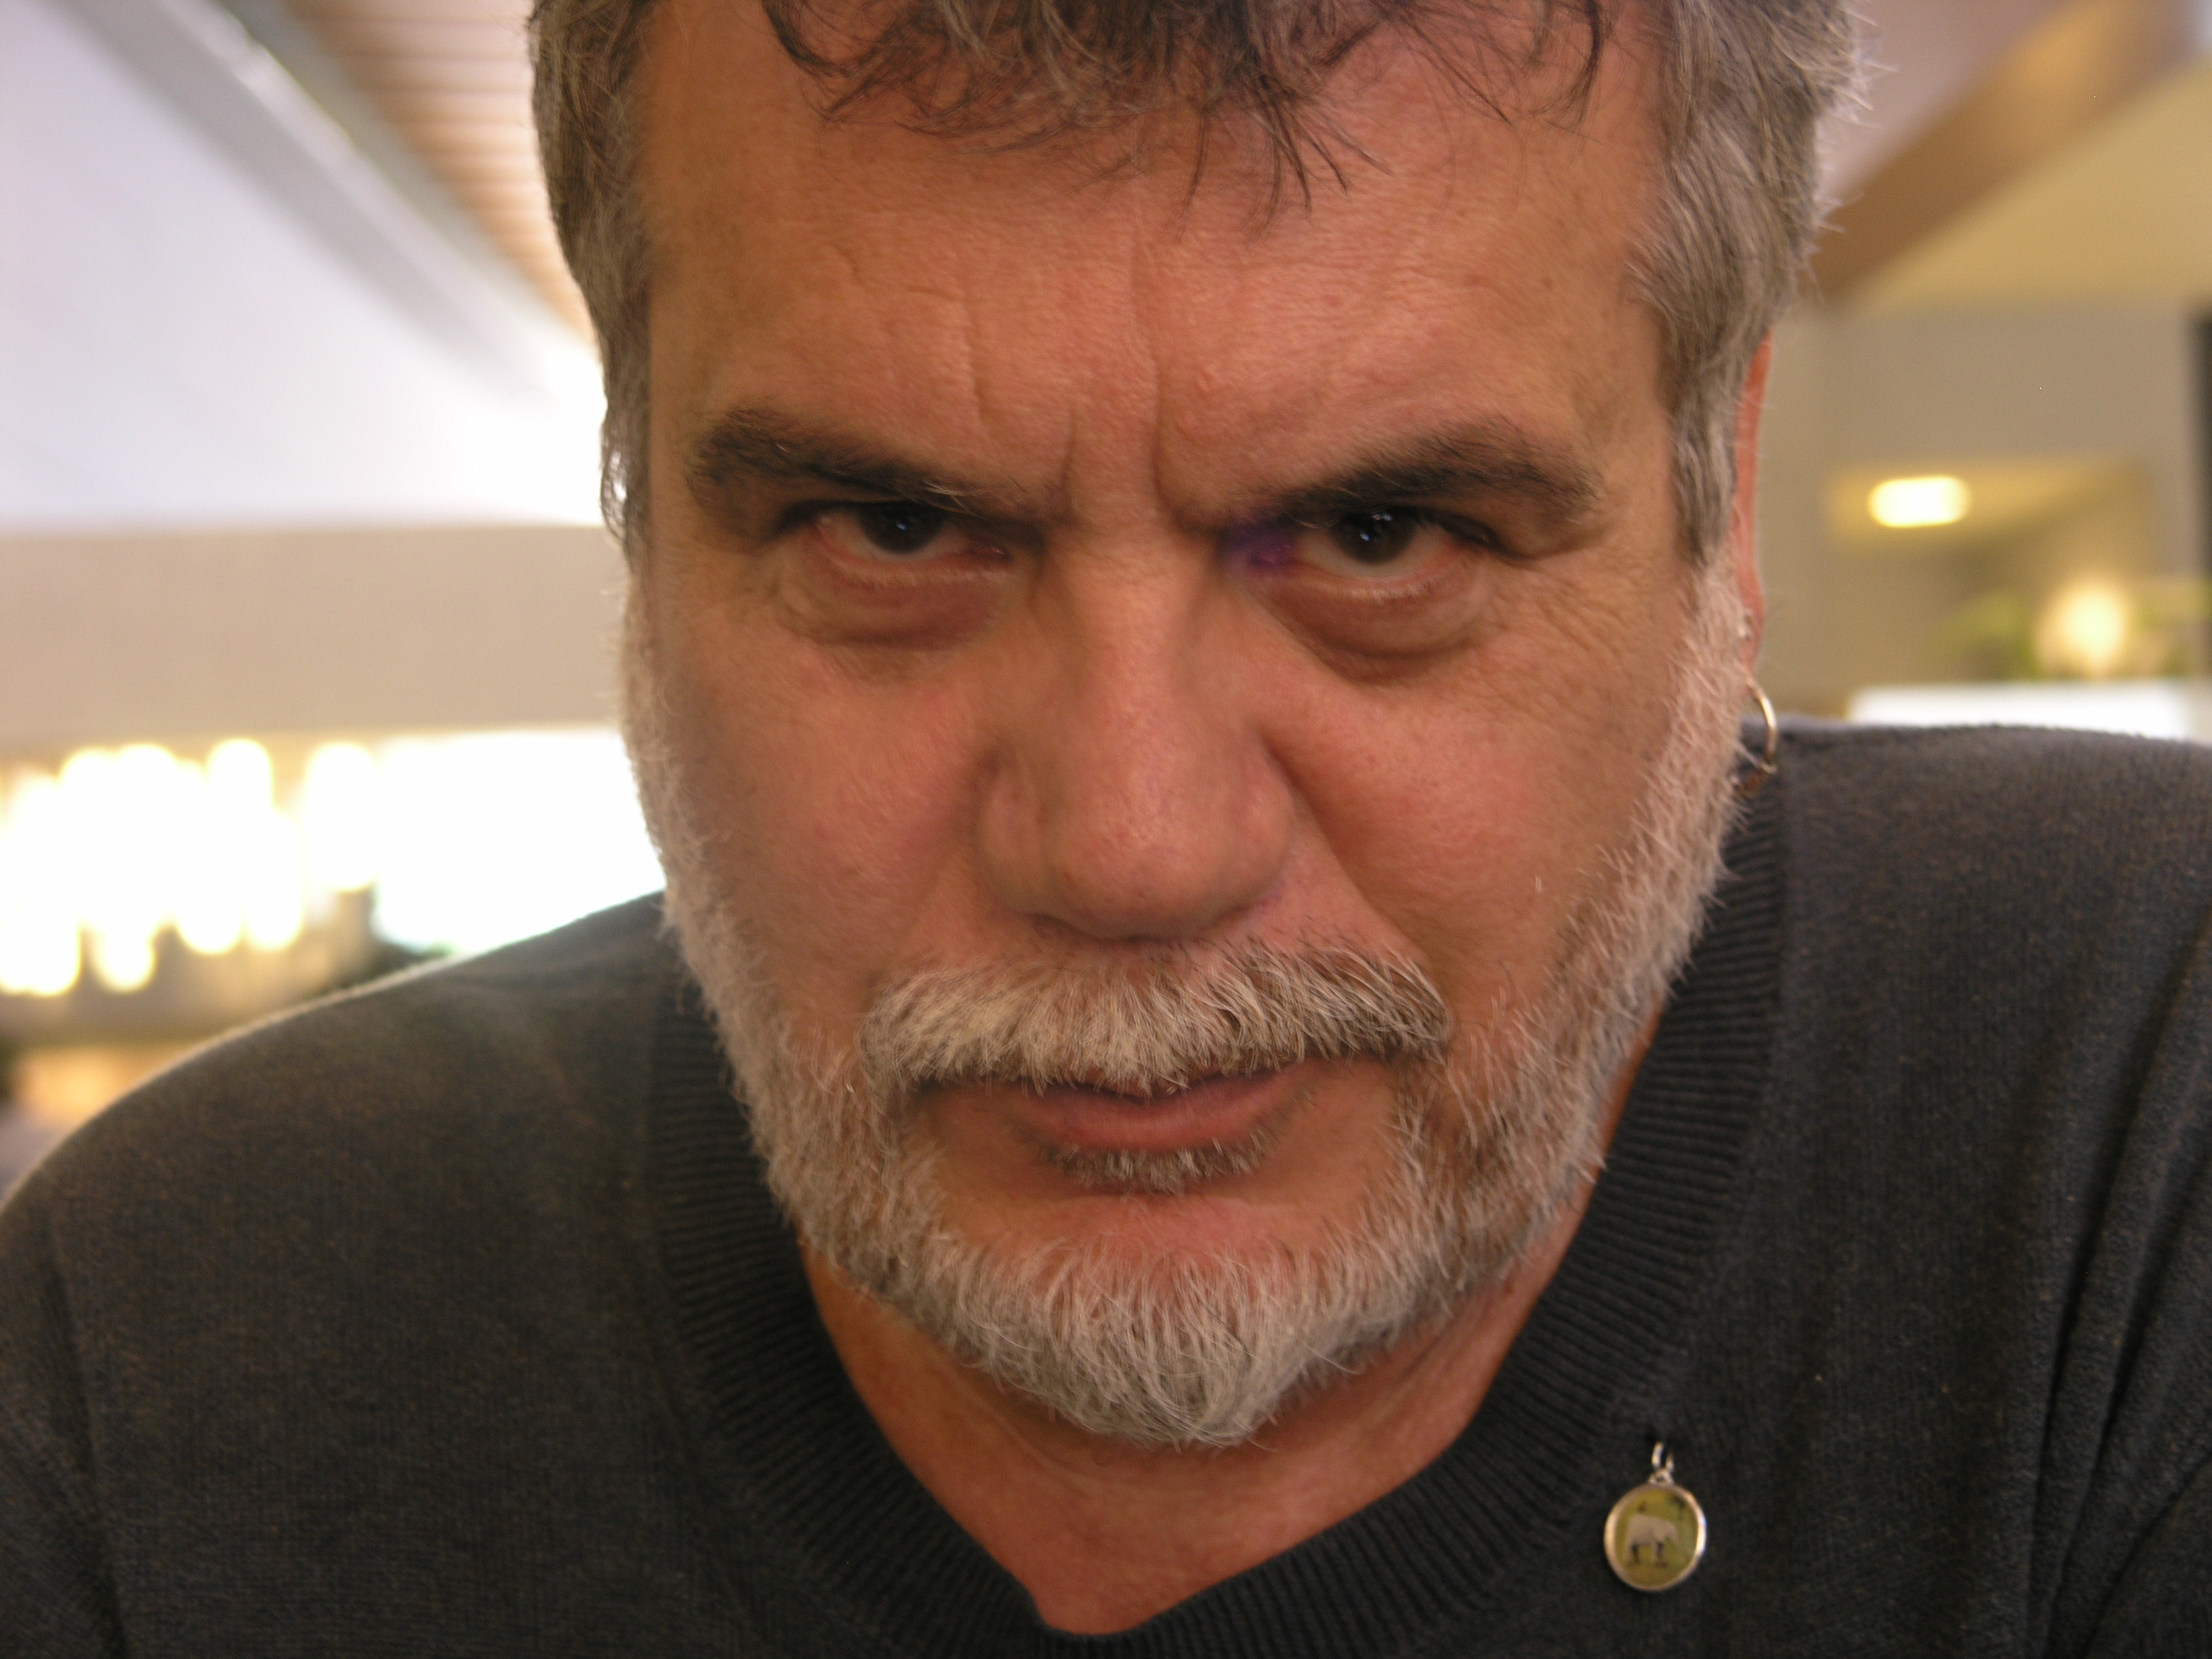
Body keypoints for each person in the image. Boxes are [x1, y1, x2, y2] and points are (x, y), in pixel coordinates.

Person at [4, 1, 2209, 1651]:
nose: (1136, 850)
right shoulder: (179, 1363)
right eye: (893, 527)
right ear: (633, 515)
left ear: (1720, 504)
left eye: (1377, 535)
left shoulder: (2139, 1106)